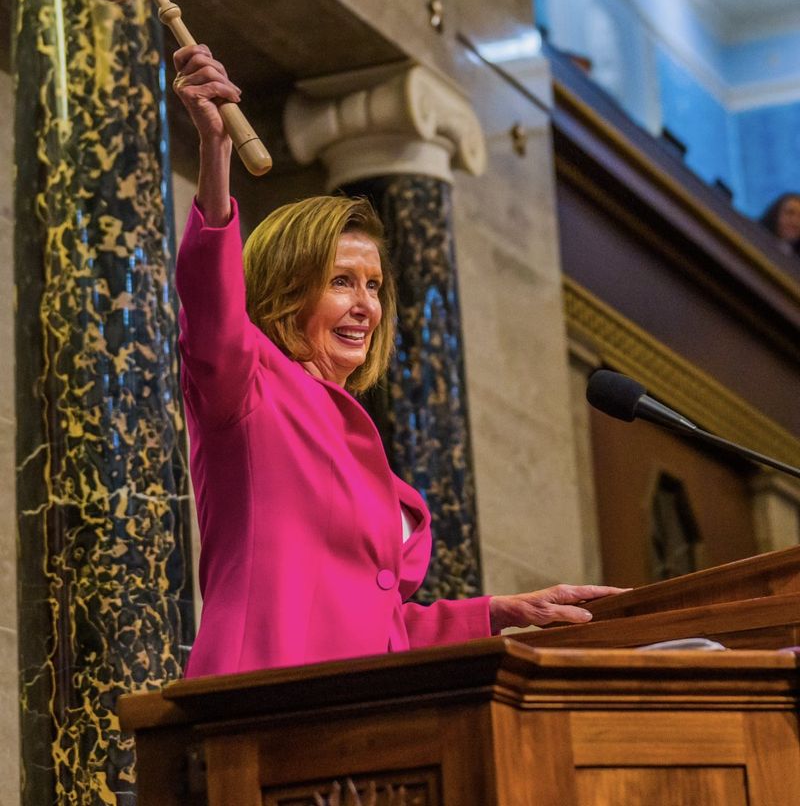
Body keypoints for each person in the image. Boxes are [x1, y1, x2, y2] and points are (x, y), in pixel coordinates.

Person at [172, 44, 625, 678]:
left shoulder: (352, 429)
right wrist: (216, 151)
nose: (364, 306)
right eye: (340, 282)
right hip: (259, 701)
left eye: (374, 286)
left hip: (358, 708)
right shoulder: (246, 383)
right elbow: (208, 299)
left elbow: (374, 625)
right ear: (286, 288)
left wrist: (498, 611)